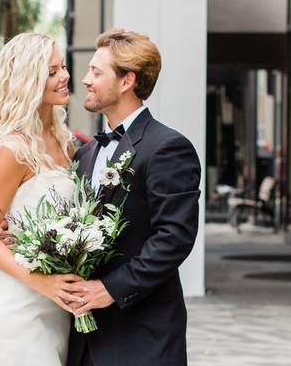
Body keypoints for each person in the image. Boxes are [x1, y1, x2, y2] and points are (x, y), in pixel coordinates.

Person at [66, 28, 201, 366]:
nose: (85, 79)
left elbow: (173, 238)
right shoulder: (85, 154)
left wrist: (110, 289)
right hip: (84, 342)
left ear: (127, 80)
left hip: (143, 336)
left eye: (96, 71)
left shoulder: (168, 147)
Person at [0, 33, 86, 366]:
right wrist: (41, 282)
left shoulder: (65, 142)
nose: (65, 77)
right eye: (51, 71)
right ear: (28, 81)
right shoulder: (11, 150)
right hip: (20, 306)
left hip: (57, 307)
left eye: (62, 68)